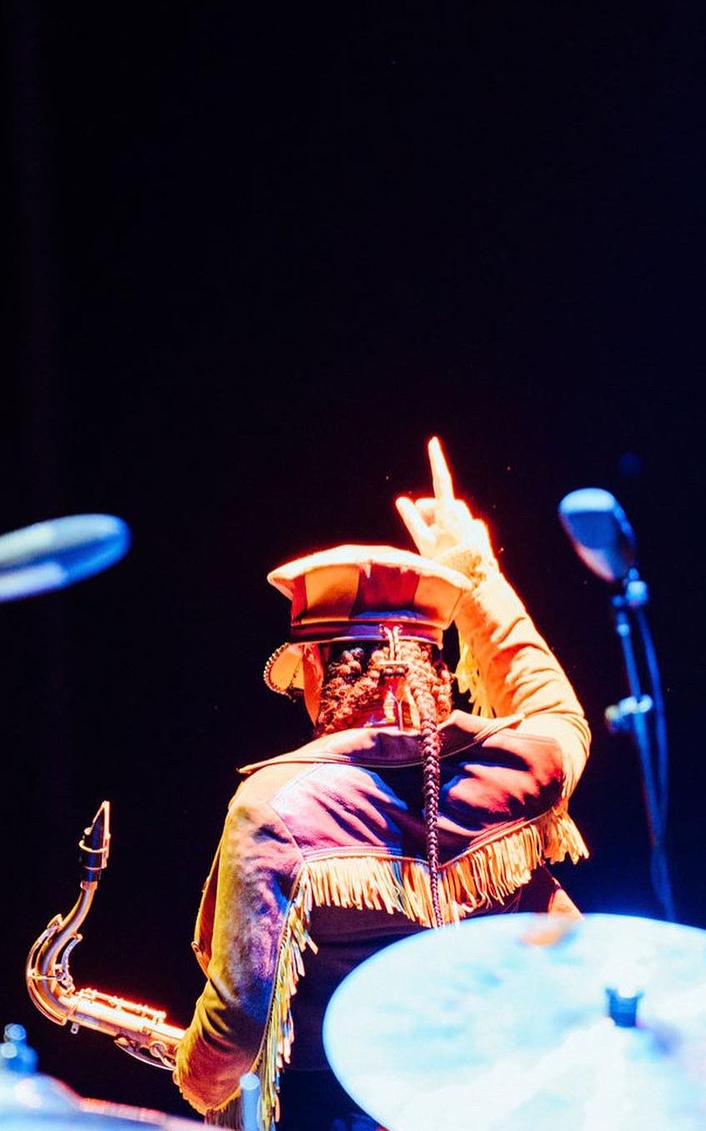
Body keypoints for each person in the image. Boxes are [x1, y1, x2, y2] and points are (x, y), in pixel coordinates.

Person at [172, 438, 591, 1131]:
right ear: (436, 666)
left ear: (314, 666)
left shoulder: (274, 808)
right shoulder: (521, 764)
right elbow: (557, 709)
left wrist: (190, 1073)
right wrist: (475, 573)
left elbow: (235, 1036)